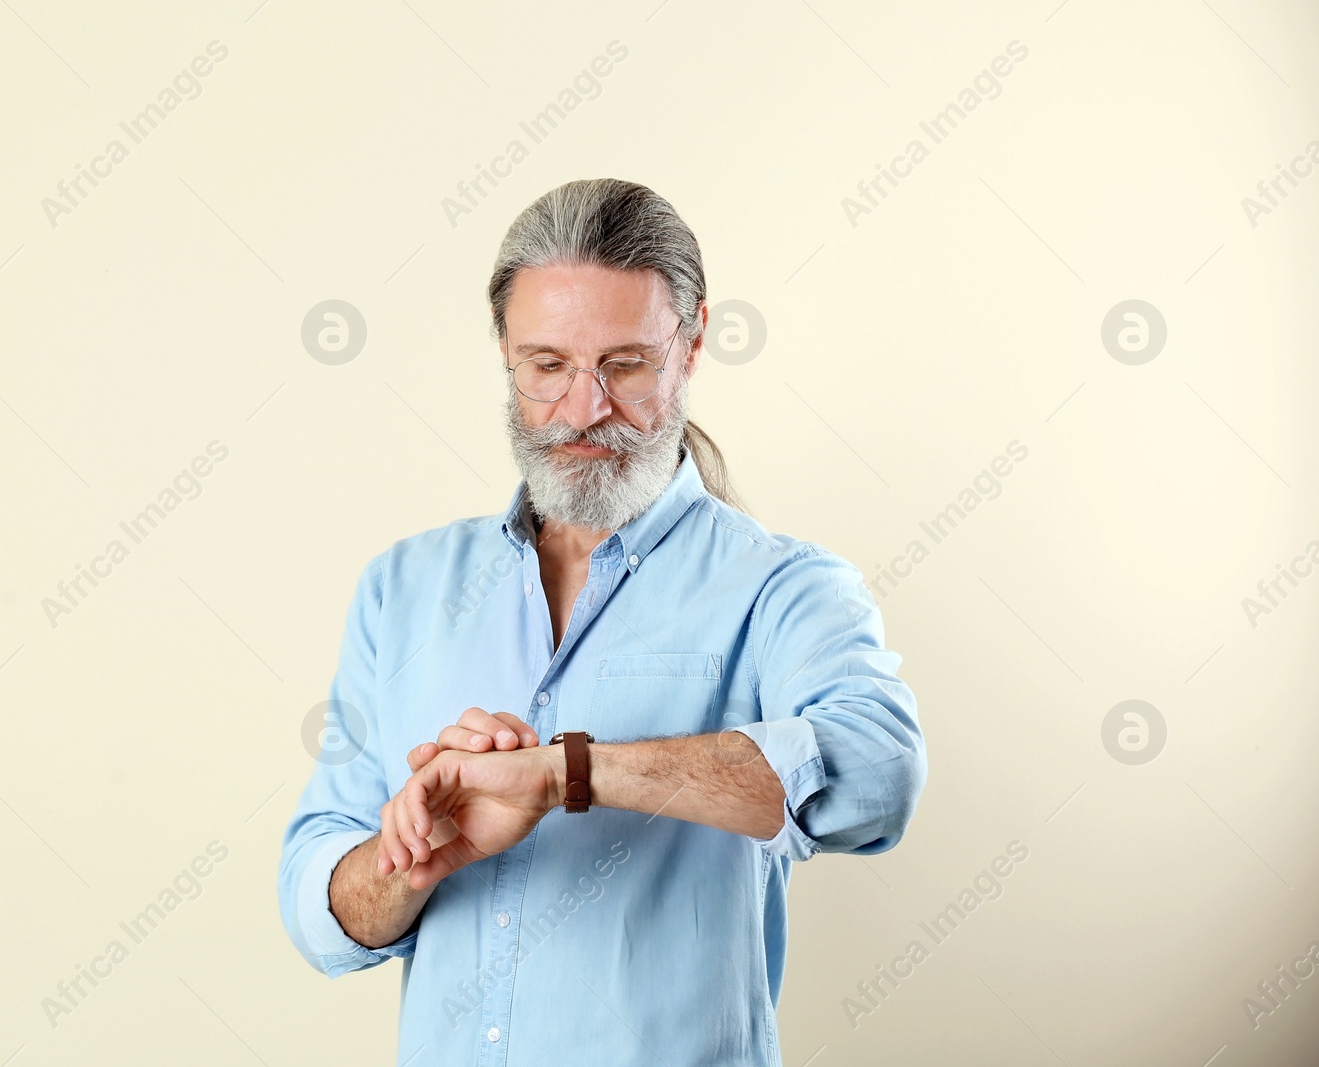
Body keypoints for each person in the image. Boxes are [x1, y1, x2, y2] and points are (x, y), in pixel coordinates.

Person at [279, 177, 927, 1065]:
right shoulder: (403, 588)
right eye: (546, 366)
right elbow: (318, 910)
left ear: (691, 346)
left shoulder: (782, 586)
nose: (583, 410)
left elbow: (878, 773)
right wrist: (410, 861)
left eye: (624, 364)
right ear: (504, 349)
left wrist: (565, 773)